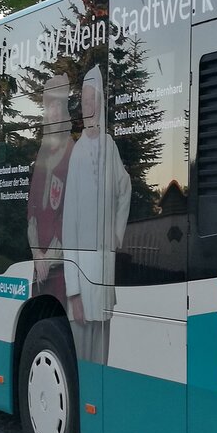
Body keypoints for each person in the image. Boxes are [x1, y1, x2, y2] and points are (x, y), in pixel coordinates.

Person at [61, 65, 131, 365]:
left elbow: (124, 188)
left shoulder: (110, 145)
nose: (89, 106)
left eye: (93, 100)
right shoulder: (76, 153)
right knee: (81, 354)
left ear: (100, 104)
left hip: (104, 267)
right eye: (85, 100)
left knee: (103, 353)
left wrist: (116, 233)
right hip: (82, 272)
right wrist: (73, 292)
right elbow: (69, 226)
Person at [26, 73, 74, 299]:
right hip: (40, 265)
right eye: (49, 107)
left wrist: (49, 257)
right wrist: (37, 254)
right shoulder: (43, 152)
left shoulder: (72, 152)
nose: (53, 112)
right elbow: (32, 208)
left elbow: (71, 214)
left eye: (57, 106)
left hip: (61, 266)